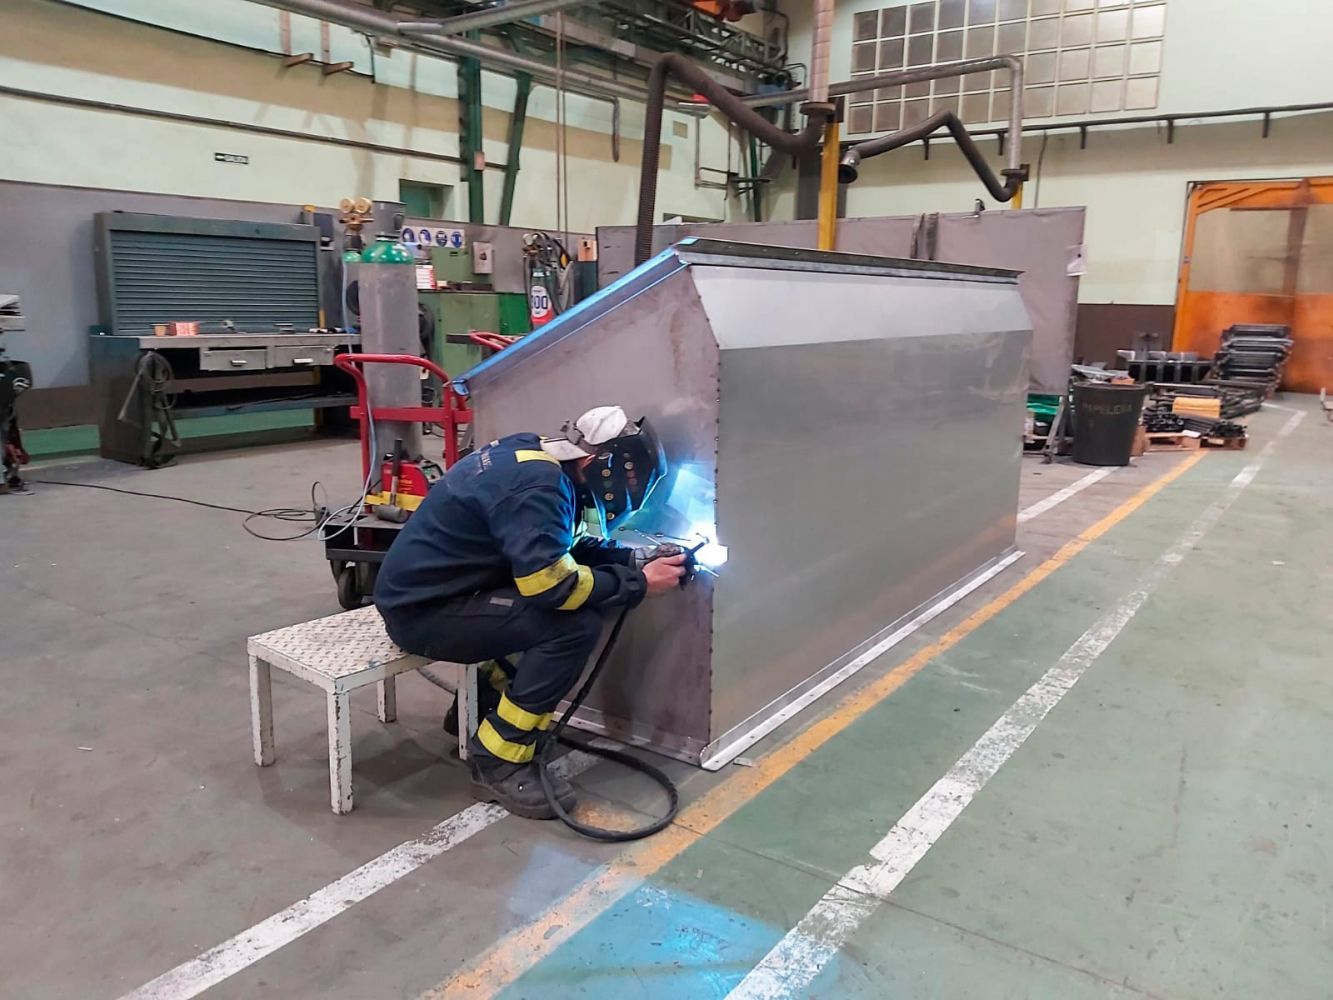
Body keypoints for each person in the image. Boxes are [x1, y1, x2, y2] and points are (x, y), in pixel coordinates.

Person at [374, 405, 686, 819]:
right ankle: (498, 761)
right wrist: (640, 584)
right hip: (424, 613)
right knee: (572, 626)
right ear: (600, 465)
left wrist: (634, 559)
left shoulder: (540, 459)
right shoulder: (539, 488)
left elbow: (560, 547)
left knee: (537, 613)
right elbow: (555, 586)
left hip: (439, 593)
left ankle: (476, 710)